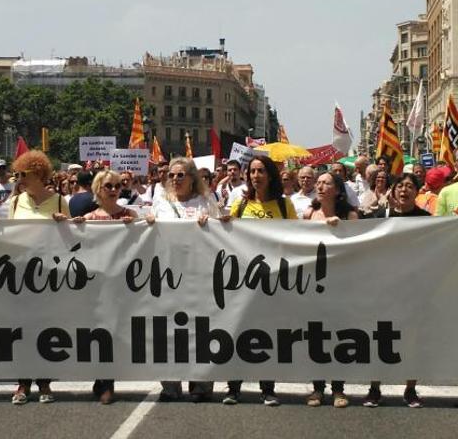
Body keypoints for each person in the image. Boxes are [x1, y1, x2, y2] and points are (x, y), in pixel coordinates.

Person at [147, 158, 219, 403]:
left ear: (192, 178)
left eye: (181, 175)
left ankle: (200, 385)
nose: (175, 180)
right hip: (166, 275)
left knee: (200, 330)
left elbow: (223, 232)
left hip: (199, 276)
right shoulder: (160, 203)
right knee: (166, 331)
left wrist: (212, 224)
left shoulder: (206, 202)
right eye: (172, 176)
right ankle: (170, 385)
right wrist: (145, 222)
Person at [225, 155, 296, 406]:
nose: (256, 176)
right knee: (238, 332)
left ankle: (268, 388)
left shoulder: (285, 206)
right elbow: (227, 236)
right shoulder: (240, 206)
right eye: (252, 172)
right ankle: (233, 387)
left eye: (261, 171)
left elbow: (298, 239)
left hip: (273, 281)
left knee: (267, 334)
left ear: (270, 175)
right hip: (243, 280)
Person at [8, 151, 70, 405]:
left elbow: (70, 237)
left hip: (49, 275)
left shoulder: (58, 201)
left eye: (25, 175)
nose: (20, 179)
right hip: (22, 275)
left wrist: (63, 223)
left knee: (46, 328)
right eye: (18, 174)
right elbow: (9, 236)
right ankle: (22, 382)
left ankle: (44, 381)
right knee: (22, 328)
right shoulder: (14, 202)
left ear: (41, 175)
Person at [362, 173, 428, 408]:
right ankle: (374, 388)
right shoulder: (382, 217)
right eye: (400, 186)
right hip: (383, 290)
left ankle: (410, 389)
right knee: (380, 339)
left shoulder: (426, 220)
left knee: (411, 341)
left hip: (413, 290)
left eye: (410, 186)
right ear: (393, 190)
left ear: (416, 192)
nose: (404, 190)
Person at [78, 170, 137, 405]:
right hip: (95, 286)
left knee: (113, 332)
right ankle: (101, 377)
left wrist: (144, 223)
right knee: (97, 332)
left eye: (117, 186)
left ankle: (108, 382)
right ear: (97, 190)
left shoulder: (130, 214)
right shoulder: (90, 218)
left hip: (122, 285)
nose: (114, 190)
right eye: (108, 187)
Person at [302, 172, 358, 408]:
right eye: (319, 183)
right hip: (313, 284)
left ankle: (338, 388)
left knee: (339, 335)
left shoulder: (350, 215)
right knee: (316, 336)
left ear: (337, 189)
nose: (321, 186)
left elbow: (360, 246)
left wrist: (342, 228)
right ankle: (317, 388)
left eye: (326, 183)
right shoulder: (308, 214)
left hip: (342, 284)